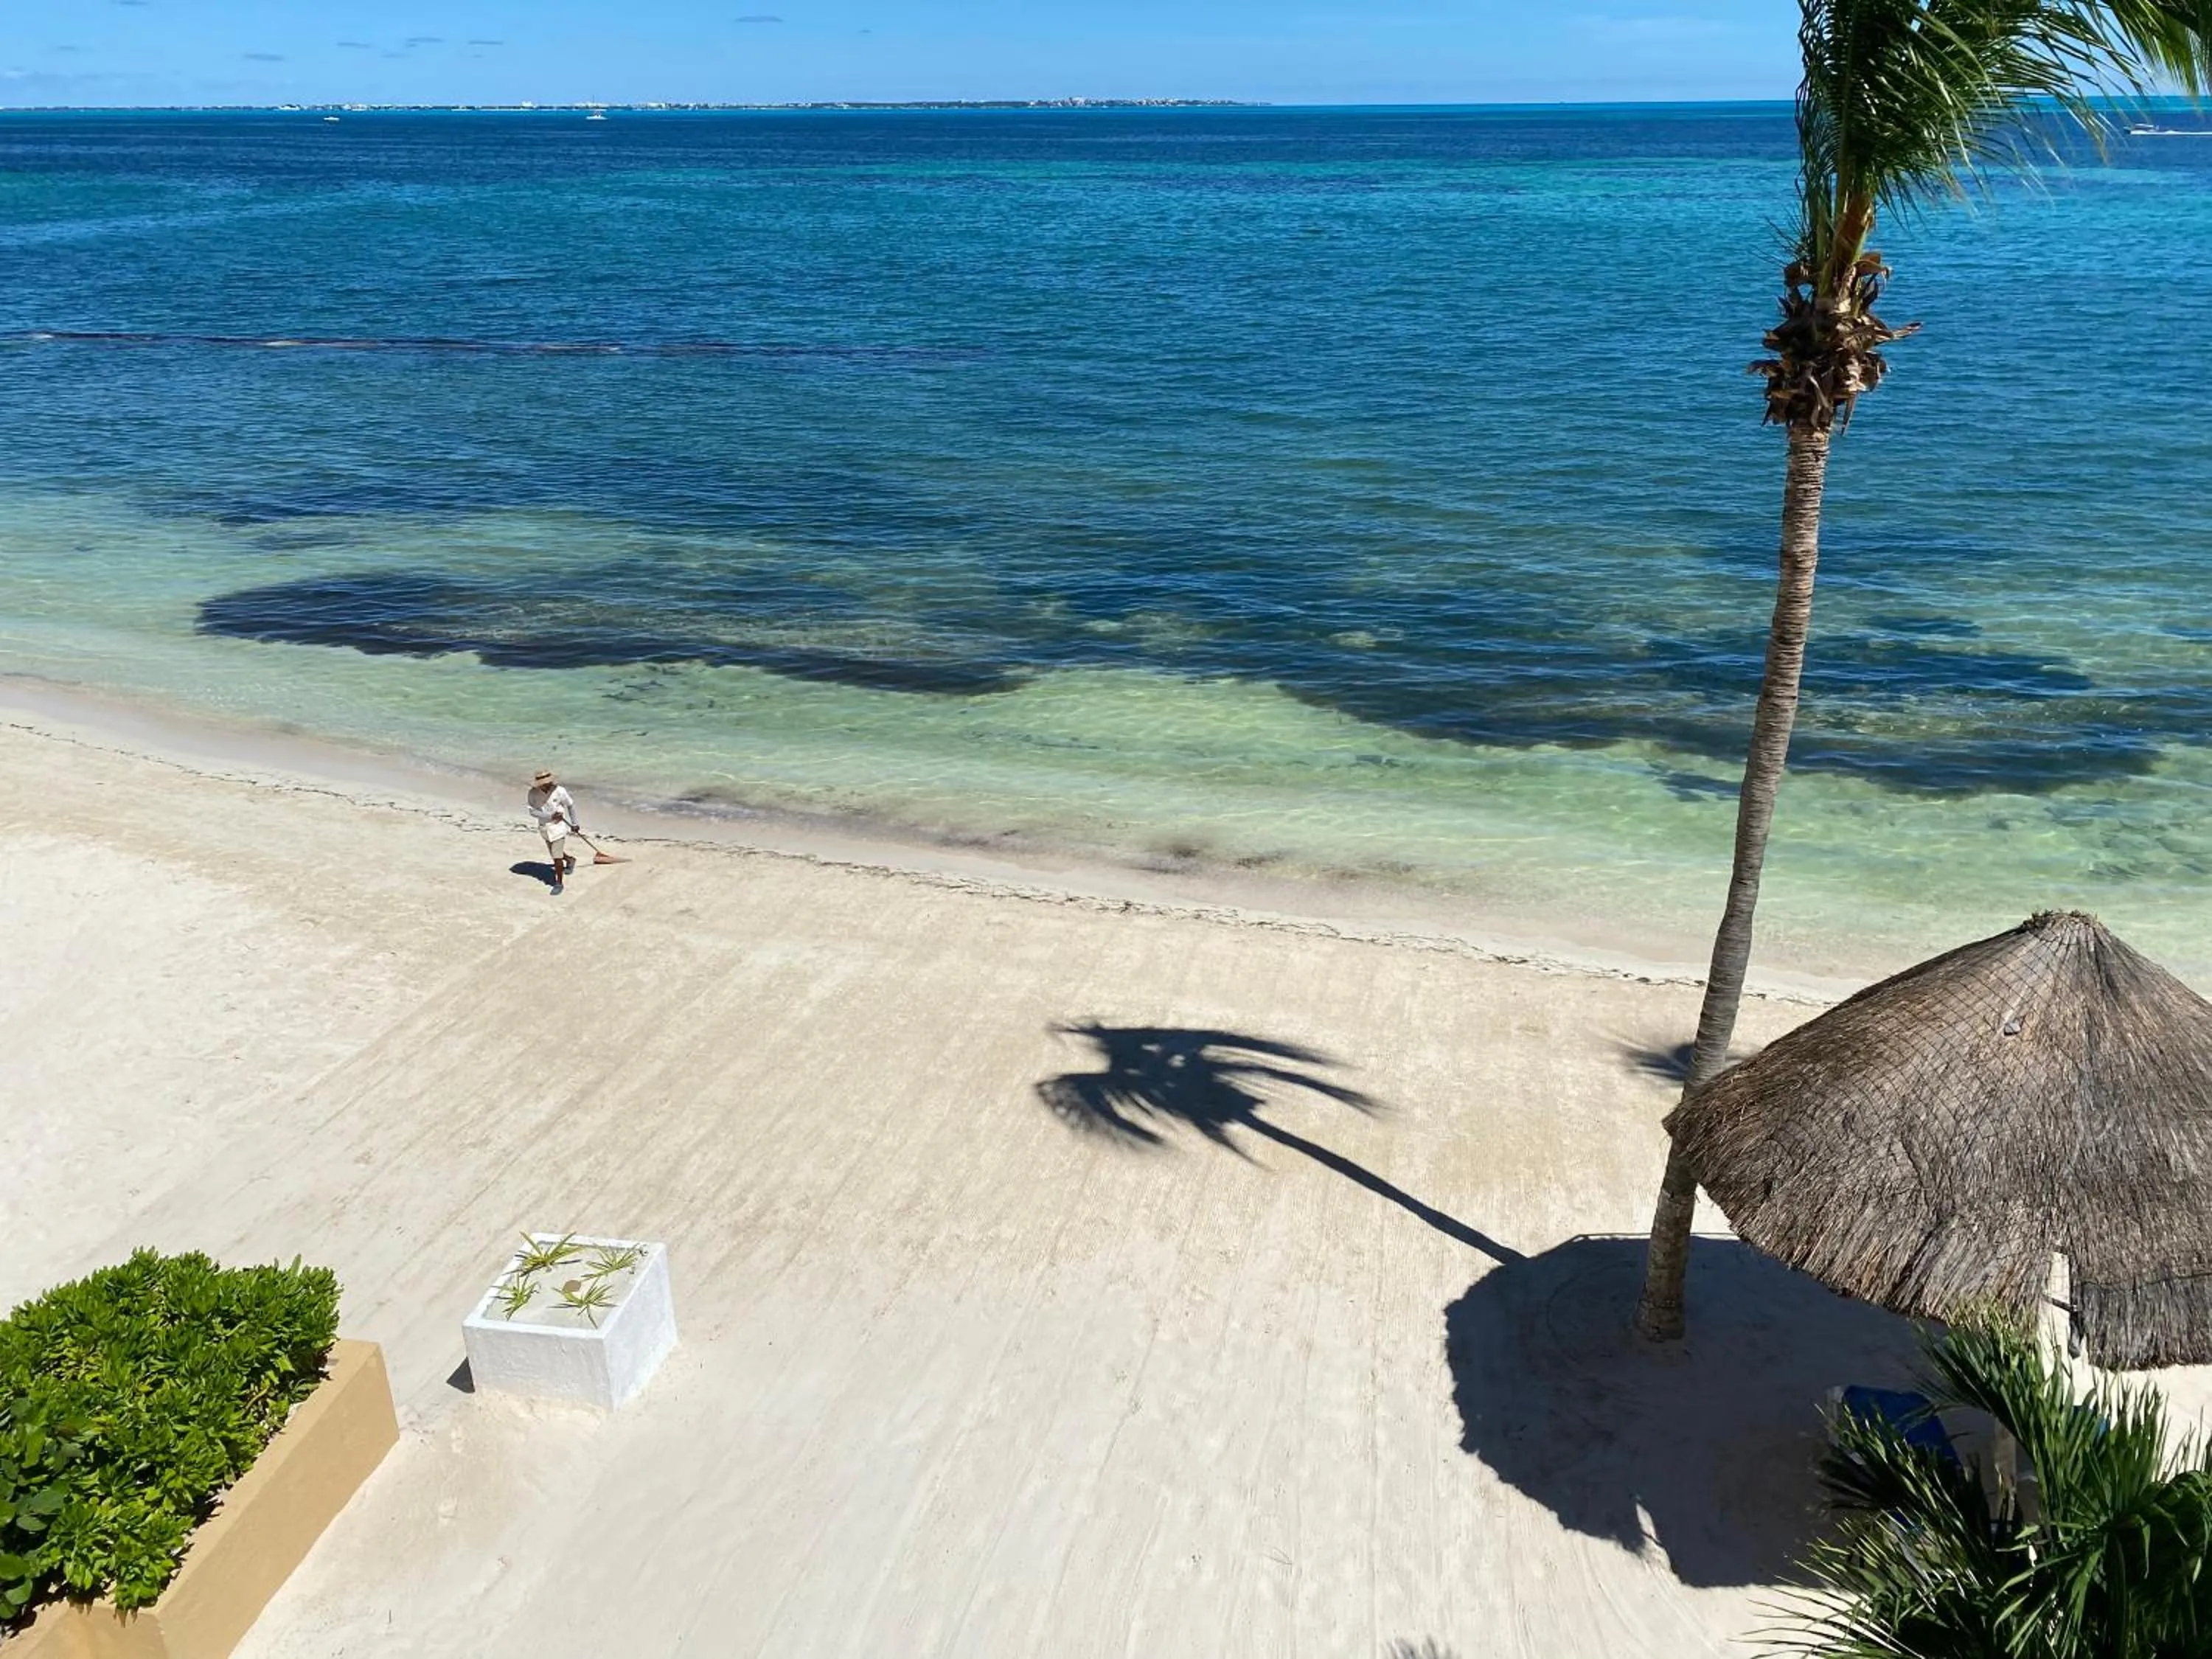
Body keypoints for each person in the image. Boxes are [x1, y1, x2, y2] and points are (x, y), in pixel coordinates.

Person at [527, 769, 581, 894]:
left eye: (549, 782)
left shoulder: (560, 791)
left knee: (556, 858)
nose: (548, 784)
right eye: (545, 783)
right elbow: (532, 811)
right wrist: (550, 816)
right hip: (545, 828)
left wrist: (575, 823)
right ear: (539, 784)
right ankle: (570, 860)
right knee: (555, 853)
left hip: (559, 828)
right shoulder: (533, 794)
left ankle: (559, 883)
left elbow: (570, 806)